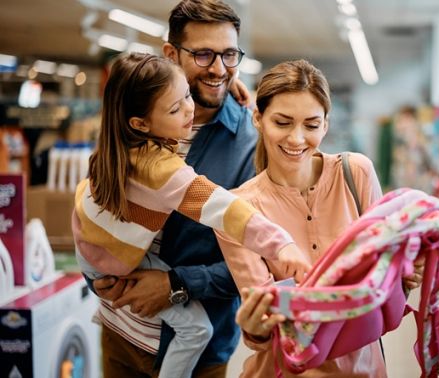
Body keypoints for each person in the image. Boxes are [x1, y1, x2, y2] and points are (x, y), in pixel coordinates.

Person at [73, 52, 311, 378]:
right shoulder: (163, 170)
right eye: (176, 107)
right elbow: (227, 210)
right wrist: (280, 244)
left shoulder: (114, 144)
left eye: (187, 93)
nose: (190, 108)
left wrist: (233, 92)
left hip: (90, 246)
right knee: (197, 330)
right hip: (117, 278)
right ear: (140, 123)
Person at [88, 1, 269, 377]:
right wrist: (96, 269)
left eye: (229, 54)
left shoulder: (251, 145)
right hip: (120, 331)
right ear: (171, 53)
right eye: (203, 54)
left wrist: (176, 284)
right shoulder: (133, 118)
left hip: (195, 353)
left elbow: (261, 262)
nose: (219, 69)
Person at [218, 59, 425, 377]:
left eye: (311, 125)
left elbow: (383, 290)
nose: (297, 139)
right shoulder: (239, 210)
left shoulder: (355, 174)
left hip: (364, 370)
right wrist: (257, 327)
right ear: (258, 118)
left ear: (326, 125)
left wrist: (402, 275)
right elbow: (264, 333)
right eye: (283, 122)